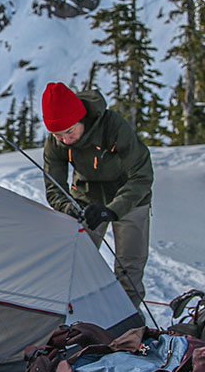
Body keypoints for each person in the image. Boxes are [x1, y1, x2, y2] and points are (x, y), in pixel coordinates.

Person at [41, 82, 153, 317]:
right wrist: (67, 207)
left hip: (130, 197)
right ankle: (79, 315)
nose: (65, 140)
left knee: (129, 263)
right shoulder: (57, 142)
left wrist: (113, 210)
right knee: (76, 259)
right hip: (86, 199)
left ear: (81, 120)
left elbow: (142, 175)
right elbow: (54, 186)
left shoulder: (113, 126)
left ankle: (127, 316)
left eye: (69, 132)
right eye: (58, 135)